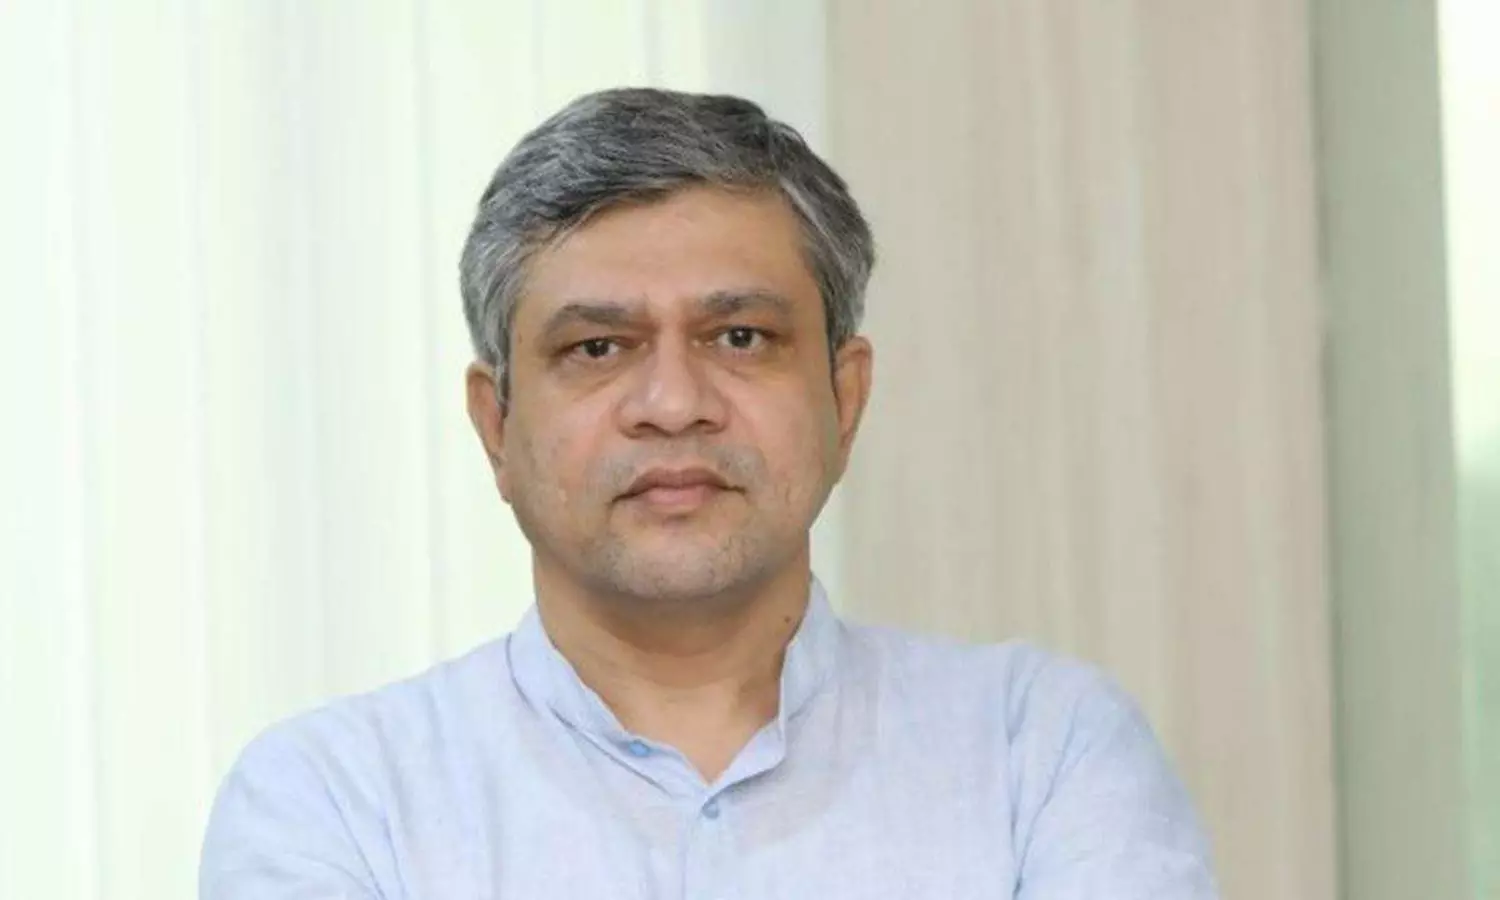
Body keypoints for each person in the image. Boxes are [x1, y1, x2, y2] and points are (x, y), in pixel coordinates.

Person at [200, 87, 1218, 900]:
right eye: (598, 348)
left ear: (845, 397)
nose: (674, 404)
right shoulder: (337, 801)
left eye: (740, 337)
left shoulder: (1042, 753)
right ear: (495, 425)